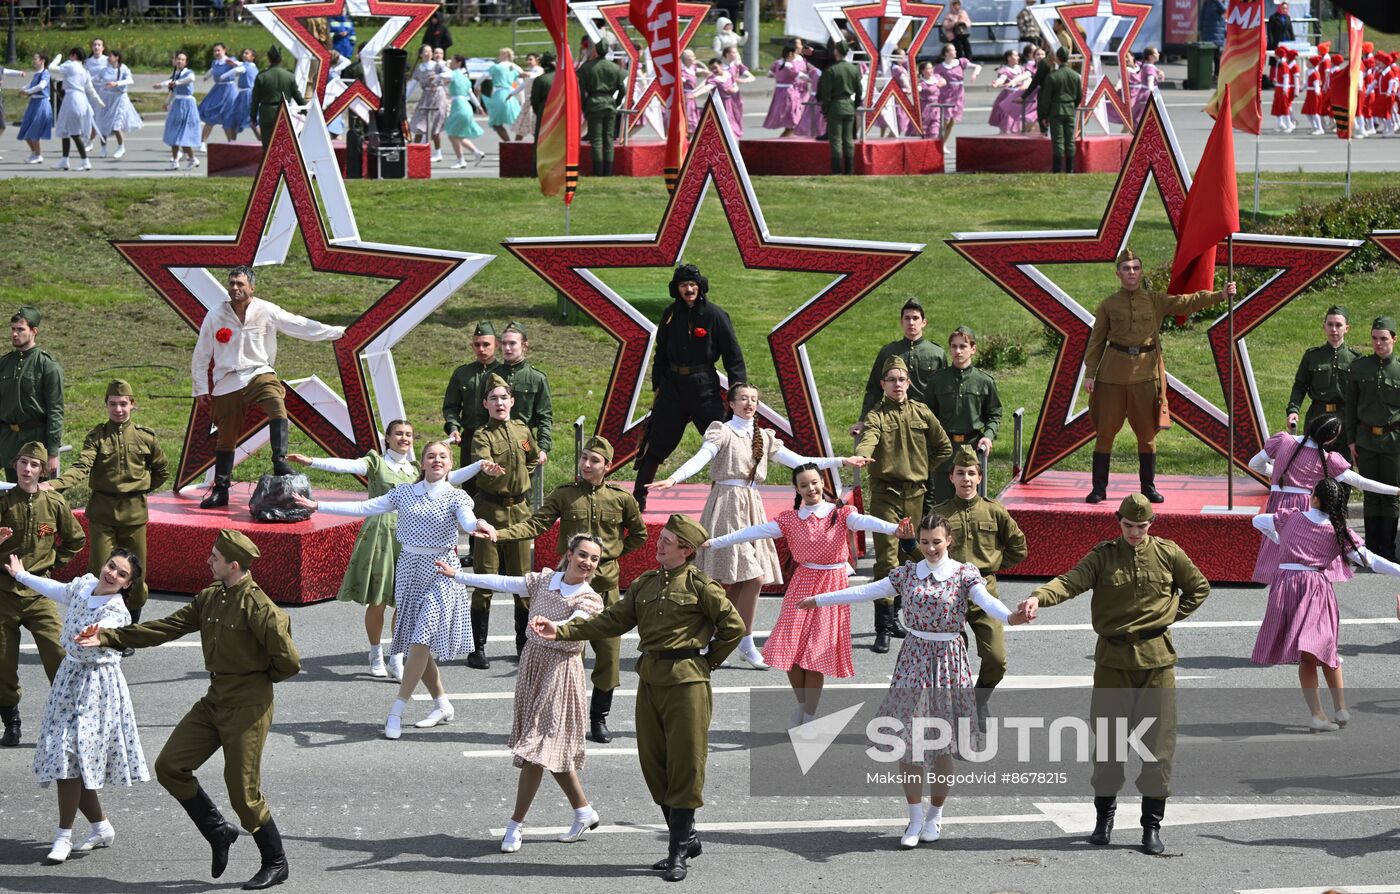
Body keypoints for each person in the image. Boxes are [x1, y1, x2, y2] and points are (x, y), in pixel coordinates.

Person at [81, 530, 299, 889]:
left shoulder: (261, 609)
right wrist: (108, 636)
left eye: (214, 557)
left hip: (248, 708)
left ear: (233, 565)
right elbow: (166, 628)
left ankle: (276, 862)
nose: (208, 561)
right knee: (170, 766)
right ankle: (218, 832)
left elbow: (289, 662)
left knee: (243, 794)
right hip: (215, 701)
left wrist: (256, 683)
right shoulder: (211, 598)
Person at [533, 514, 744, 882]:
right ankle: (686, 835)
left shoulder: (701, 586)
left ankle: (678, 850)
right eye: (660, 537)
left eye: (667, 540)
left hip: (687, 684)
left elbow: (734, 627)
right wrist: (563, 630)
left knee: (685, 765)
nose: (659, 544)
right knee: (654, 765)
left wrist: (706, 662)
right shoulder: (646, 583)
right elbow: (610, 621)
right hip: (650, 680)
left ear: (686, 550)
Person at [800, 511, 1029, 848]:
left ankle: (935, 815)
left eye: (936, 541)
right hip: (913, 658)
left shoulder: (964, 575)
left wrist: (1011, 616)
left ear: (948, 540)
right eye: (924, 542)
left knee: (942, 746)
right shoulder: (907, 574)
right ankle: (914, 818)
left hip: (950, 661)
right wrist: (819, 600)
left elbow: (988, 603)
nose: (930, 548)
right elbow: (864, 592)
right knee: (906, 743)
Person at [1016, 494, 1210, 855]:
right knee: (1107, 746)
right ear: (1118, 522)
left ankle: (1151, 827)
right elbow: (1070, 581)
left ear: (1152, 524)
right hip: (1112, 663)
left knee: (1158, 749)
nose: (1135, 533)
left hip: (1157, 663)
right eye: (1128, 526)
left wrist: (1168, 616)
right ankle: (1103, 819)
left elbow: (1199, 588)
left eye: (1142, 526)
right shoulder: (1104, 555)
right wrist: (1038, 597)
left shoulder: (1169, 553)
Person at [648, 383, 866, 669]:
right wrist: (675, 478)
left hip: (752, 503)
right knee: (741, 578)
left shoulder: (763, 436)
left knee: (749, 577)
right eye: (743, 399)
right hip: (726, 503)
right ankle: (735, 639)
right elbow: (703, 457)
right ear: (731, 403)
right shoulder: (722, 430)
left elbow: (800, 462)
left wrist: (842, 460)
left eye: (754, 399)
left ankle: (729, 639)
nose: (750, 404)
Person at [295, 441, 497, 738]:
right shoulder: (404, 493)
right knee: (420, 644)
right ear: (423, 464)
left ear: (450, 464)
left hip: (442, 571)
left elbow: (467, 520)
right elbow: (365, 506)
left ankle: (396, 710)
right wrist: (319, 506)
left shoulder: (457, 496)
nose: (437, 460)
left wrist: (480, 523)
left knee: (421, 639)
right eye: (431, 456)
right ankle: (442, 703)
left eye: (443, 456)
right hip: (409, 570)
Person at [436, 534, 606, 853]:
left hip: (560, 671)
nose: (587, 562)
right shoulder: (544, 581)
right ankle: (583, 811)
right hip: (533, 663)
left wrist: (556, 628)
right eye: (582, 554)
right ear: (569, 554)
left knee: (534, 751)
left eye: (594, 559)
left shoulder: (590, 598)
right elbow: (502, 582)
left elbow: (576, 621)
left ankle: (514, 826)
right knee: (546, 747)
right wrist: (458, 575)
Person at [704, 464, 909, 725]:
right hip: (802, 584)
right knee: (790, 653)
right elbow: (752, 532)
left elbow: (867, 522)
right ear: (797, 490)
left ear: (822, 482)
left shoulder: (842, 513)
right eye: (804, 485)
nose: (810, 488)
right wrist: (715, 542)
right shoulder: (790, 520)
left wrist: (894, 529)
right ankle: (803, 706)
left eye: (814, 482)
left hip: (832, 586)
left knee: (814, 656)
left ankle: (810, 715)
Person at [493, 436, 646, 743]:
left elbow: (639, 534)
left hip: (604, 592)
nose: (587, 465)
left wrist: (611, 553)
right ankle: (550, 719)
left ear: (607, 466)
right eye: (584, 458)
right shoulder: (565, 494)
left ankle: (598, 719)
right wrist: (499, 534)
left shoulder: (620, 498)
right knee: (559, 653)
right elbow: (537, 523)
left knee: (608, 657)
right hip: (568, 592)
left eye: (594, 460)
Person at [9, 549, 147, 865]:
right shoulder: (85, 585)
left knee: (70, 757)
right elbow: (58, 590)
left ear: (127, 584)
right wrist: (22, 576)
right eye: (111, 565)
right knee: (68, 759)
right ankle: (100, 826)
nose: (112, 574)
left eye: (121, 574)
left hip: (97, 687)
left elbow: (109, 628)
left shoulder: (116, 610)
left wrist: (96, 635)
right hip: (69, 678)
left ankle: (64, 835)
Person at [1081, 249, 1235, 504]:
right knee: (1105, 432)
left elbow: (1187, 302)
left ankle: (1148, 487)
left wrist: (1220, 295)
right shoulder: (1108, 305)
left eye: (1135, 268)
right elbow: (1096, 341)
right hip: (1112, 377)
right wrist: (1090, 374)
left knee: (1147, 434)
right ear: (1118, 273)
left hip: (1146, 376)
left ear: (1141, 272)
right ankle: (1099, 489)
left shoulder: (1154, 300)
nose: (1131, 273)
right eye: (1126, 269)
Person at [1250, 478, 1400, 733]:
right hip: (1317, 589)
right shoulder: (1338, 531)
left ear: (1315, 498)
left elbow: (1258, 521)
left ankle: (1318, 714)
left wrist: (1280, 539)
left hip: (1286, 588)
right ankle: (1339, 708)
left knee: (1307, 658)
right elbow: (1370, 560)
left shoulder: (1291, 518)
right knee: (1328, 649)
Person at [190, 265, 345, 509]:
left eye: (240, 284)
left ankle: (280, 460)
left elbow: (297, 324)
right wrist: (200, 388)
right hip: (227, 379)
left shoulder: (266, 309)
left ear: (252, 287)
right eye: (231, 284)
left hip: (258, 371)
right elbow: (201, 354)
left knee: (275, 400)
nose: (234, 288)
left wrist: (335, 333)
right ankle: (221, 490)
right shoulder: (216, 313)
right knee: (226, 435)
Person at [48, 380, 168, 638]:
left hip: (134, 513)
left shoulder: (145, 438)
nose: (119, 409)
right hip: (102, 512)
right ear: (106, 405)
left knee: (134, 576)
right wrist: (56, 485)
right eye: (113, 404)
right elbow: (82, 466)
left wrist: (140, 488)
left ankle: (129, 632)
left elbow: (162, 470)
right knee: (100, 572)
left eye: (123, 404)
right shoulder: (97, 437)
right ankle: (96, 630)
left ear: (132, 405)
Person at [855, 356, 954, 653]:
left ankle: (896, 617)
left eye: (902, 379)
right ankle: (882, 627)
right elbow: (868, 438)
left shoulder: (922, 413)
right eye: (891, 380)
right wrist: (863, 454)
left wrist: (923, 468)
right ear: (882, 384)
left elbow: (944, 446)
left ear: (908, 383)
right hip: (886, 493)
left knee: (909, 557)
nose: (897, 384)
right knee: (887, 559)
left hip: (915, 493)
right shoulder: (876, 416)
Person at [632, 265, 746, 509]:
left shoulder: (716, 315)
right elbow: (661, 352)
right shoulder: (670, 314)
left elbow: (733, 356)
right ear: (677, 289)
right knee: (656, 440)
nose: (689, 289)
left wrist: (738, 391)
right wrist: (658, 386)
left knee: (721, 442)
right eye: (683, 285)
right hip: (672, 386)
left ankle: (726, 498)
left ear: (700, 287)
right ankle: (638, 497)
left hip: (704, 385)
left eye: (692, 284)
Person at [931, 446, 1027, 728]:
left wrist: (993, 566)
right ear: (951, 477)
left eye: (971, 473)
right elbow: (926, 552)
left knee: (996, 659)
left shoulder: (994, 510)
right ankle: (955, 713)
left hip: (985, 591)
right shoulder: (939, 514)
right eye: (960, 473)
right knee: (950, 662)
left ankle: (979, 700)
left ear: (979, 476)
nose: (966, 479)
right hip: (949, 595)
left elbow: (1019, 547)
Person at [0, 442, 85, 749]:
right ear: (15, 466)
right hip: (4, 593)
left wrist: (50, 567)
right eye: (23, 463)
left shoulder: (54, 503)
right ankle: (11, 721)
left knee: (59, 655)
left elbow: (75, 539)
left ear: (42, 470)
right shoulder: (4, 501)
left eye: (34, 465)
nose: (27, 469)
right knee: (2, 662)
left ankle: (67, 719)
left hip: (38, 594)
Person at [1249, 414, 1397, 583]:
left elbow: (1254, 464)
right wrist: (1396, 491)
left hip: (1277, 503)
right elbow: (1360, 482)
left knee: (1280, 562)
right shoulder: (1326, 459)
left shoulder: (1283, 440)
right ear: (1329, 439)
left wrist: (1277, 474)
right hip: (1305, 508)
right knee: (1309, 562)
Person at [469, 375, 540, 661]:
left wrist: (523, 476)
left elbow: (533, 457)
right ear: (486, 404)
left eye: (504, 397)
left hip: (520, 512)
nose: (499, 403)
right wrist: (489, 469)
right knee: (486, 579)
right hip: (490, 512)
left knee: (522, 581)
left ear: (512, 401)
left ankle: (523, 645)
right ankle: (478, 648)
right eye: (493, 398)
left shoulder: (523, 431)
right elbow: (482, 460)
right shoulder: (482, 435)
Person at [1344, 317, 1400, 561]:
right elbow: (1351, 406)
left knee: (1390, 494)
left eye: (1384, 339)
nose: (1378, 343)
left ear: (1394, 339)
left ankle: (1387, 550)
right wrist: (1351, 440)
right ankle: (1371, 550)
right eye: (1375, 338)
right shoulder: (1360, 367)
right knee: (1370, 493)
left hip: (1393, 441)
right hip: (1366, 440)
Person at [926, 326, 1002, 504]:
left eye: (963, 346)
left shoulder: (984, 382)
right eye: (954, 346)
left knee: (972, 504)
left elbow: (994, 413)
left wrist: (988, 436)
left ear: (973, 349)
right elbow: (928, 416)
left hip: (972, 448)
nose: (958, 351)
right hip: (944, 450)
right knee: (943, 505)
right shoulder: (937, 381)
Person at [853, 298, 945, 437]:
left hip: (926, 421)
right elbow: (874, 389)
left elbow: (944, 393)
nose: (911, 322)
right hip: (893, 420)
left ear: (924, 322)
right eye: (907, 318)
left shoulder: (937, 353)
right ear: (901, 322)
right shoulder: (888, 352)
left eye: (915, 318)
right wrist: (862, 420)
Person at [0, 306, 64, 483]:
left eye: (20, 329)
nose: (14, 334)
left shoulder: (47, 366)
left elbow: (55, 411)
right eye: (13, 329)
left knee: (37, 499)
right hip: (9, 441)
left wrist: (52, 452)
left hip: (36, 441)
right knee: (12, 497)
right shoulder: (4, 364)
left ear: (34, 331)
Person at [1287, 305, 1358, 432]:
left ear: (1347, 328)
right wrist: (1293, 410)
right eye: (1330, 324)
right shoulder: (1312, 357)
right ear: (1324, 327)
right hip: (1317, 417)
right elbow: (1300, 386)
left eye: (1338, 325)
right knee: (1313, 452)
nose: (1334, 329)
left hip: (1345, 421)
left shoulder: (1356, 360)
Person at [444, 321, 501, 476]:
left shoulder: (505, 373)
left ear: (497, 345)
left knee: (495, 483)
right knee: (469, 485)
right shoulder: (462, 374)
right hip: (469, 439)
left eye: (486, 344)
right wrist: (454, 429)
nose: (481, 349)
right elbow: (451, 406)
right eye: (477, 345)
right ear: (472, 346)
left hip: (498, 438)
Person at [48, 48, 105, 172]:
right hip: (81, 100)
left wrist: (56, 59)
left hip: (72, 99)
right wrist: (99, 101)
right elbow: (90, 89)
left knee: (74, 133)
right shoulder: (84, 71)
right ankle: (64, 160)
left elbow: (51, 68)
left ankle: (85, 161)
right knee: (65, 130)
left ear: (73, 55)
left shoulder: (70, 65)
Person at [579, 38, 626, 177]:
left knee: (597, 139)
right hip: (610, 103)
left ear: (596, 51)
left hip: (594, 103)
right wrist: (615, 103)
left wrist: (585, 105)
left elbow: (581, 90)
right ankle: (608, 171)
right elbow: (622, 90)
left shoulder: (587, 67)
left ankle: (598, 171)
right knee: (609, 138)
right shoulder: (615, 68)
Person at [250, 46, 305, 152]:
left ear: (269, 59)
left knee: (268, 145)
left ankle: (269, 167)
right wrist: (305, 109)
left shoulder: (262, 76)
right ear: (281, 59)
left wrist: (253, 116)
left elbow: (255, 99)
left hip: (267, 112)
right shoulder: (289, 76)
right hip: (284, 112)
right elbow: (297, 96)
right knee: (283, 144)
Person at [818, 40, 861, 175]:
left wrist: (825, 110)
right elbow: (859, 90)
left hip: (835, 106)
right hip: (849, 105)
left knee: (836, 139)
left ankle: (837, 170)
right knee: (848, 139)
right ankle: (849, 170)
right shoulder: (854, 68)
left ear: (836, 51)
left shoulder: (831, 70)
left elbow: (826, 94)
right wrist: (855, 104)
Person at [156, 51, 201, 170]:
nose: (179, 61)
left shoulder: (188, 73)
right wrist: (166, 102)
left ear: (185, 62)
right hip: (177, 105)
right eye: (178, 59)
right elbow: (172, 91)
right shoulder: (175, 75)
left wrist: (175, 83)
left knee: (184, 136)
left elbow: (190, 79)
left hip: (187, 105)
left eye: (182, 59)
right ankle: (177, 160)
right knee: (173, 133)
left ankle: (191, 158)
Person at [95, 49, 142, 158]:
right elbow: (95, 79)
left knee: (117, 125)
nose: (108, 58)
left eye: (111, 56)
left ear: (117, 57)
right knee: (103, 124)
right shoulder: (104, 70)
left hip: (120, 99)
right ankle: (103, 148)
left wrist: (116, 83)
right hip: (106, 99)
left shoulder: (123, 69)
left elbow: (130, 80)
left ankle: (121, 147)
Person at [1040, 47, 1080, 173]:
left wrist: (1044, 115)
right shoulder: (1075, 76)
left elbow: (1046, 98)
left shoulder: (1053, 76)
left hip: (1056, 110)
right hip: (1070, 109)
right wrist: (1073, 105)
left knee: (1058, 140)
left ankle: (1057, 169)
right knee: (1070, 140)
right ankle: (1070, 169)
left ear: (1057, 58)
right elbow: (1079, 96)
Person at [444, 54, 487, 167]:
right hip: (466, 107)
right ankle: (476, 152)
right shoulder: (465, 77)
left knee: (452, 134)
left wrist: (436, 77)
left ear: (458, 63)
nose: (450, 63)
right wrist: (479, 106)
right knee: (456, 135)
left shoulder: (455, 74)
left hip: (459, 107)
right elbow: (471, 94)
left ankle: (461, 160)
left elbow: (443, 75)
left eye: (452, 61)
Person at [408, 46, 449, 163]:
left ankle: (438, 152)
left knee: (435, 124)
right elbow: (412, 86)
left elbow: (450, 74)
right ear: (421, 54)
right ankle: (415, 152)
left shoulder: (437, 65)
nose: (428, 53)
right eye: (426, 51)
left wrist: (438, 76)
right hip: (426, 95)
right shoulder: (419, 69)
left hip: (437, 95)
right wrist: (403, 99)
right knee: (419, 124)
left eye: (430, 51)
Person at [199, 44, 240, 149]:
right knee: (211, 115)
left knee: (227, 116)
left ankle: (231, 143)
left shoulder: (230, 60)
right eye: (215, 51)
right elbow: (212, 70)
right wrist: (206, 77)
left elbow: (239, 68)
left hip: (229, 90)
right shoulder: (215, 62)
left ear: (224, 50)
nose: (216, 53)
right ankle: (202, 142)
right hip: (217, 90)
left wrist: (234, 64)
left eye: (218, 50)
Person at [18, 54, 54, 165]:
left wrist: (28, 92)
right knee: (25, 129)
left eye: (35, 59)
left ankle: (38, 155)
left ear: (42, 60)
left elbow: (41, 86)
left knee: (35, 130)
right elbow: (30, 85)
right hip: (34, 103)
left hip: (42, 104)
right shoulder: (36, 74)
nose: (33, 61)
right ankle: (34, 152)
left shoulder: (45, 73)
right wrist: (23, 89)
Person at [764, 44, 806, 138]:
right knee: (793, 120)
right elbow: (801, 76)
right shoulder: (789, 65)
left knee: (790, 123)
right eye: (795, 53)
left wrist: (780, 77)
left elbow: (770, 74)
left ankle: (785, 140)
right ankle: (782, 141)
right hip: (789, 93)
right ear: (790, 54)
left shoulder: (778, 63)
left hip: (779, 92)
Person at [485, 48, 523, 142]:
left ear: (505, 55)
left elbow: (483, 76)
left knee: (496, 123)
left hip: (499, 94)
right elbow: (522, 84)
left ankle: (508, 143)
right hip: (511, 94)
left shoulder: (496, 67)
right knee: (520, 122)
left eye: (500, 54)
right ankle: (517, 143)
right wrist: (521, 99)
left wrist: (477, 86)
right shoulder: (516, 67)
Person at [1266, 2, 1293, 88]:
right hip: (1276, 42)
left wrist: (1293, 41)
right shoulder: (1273, 17)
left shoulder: (1288, 18)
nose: (1284, 10)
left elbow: (1290, 30)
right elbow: (1269, 31)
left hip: (1287, 42)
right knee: (1275, 61)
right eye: (1283, 8)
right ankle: (1272, 79)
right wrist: (1271, 43)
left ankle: (1285, 77)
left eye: (1286, 8)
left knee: (1286, 61)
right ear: (1279, 8)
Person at [1198, 0, 1226, 77]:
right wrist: (1200, 30)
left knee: (1216, 57)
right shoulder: (1206, 3)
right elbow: (1201, 17)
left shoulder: (1218, 3)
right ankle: (1208, 74)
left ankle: (1217, 75)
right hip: (1207, 35)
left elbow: (1224, 10)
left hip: (1216, 35)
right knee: (1208, 58)